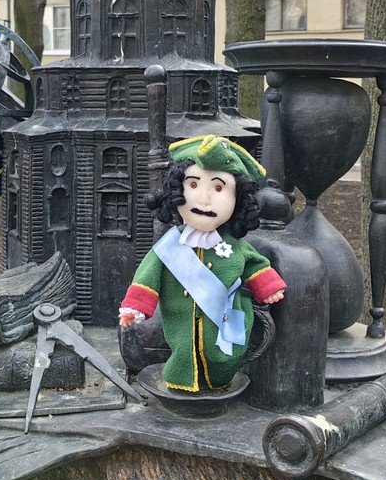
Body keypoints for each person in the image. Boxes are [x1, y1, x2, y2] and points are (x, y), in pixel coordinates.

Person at [119, 135, 287, 392]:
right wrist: (136, 305)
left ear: (238, 200)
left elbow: (255, 264)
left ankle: (221, 379)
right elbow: (147, 275)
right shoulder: (170, 245)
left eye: (219, 189)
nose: (204, 199)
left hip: (224, 315)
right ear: (177, 190)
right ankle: (180, 379)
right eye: (194, 184)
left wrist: (267, 287)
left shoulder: (234, 244)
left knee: (224, 353)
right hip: (180, 317)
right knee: (183, 347)